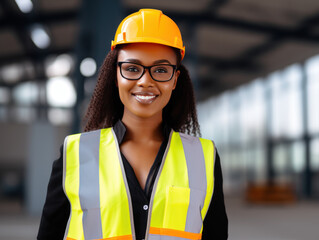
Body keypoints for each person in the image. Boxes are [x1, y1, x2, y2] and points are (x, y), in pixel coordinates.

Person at [37, 9, 228, 240]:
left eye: (160, 70)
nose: (145, 81)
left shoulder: (203, 157)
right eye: (132, 69)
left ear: (175, 79)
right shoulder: (75, 154)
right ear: (115, 75)